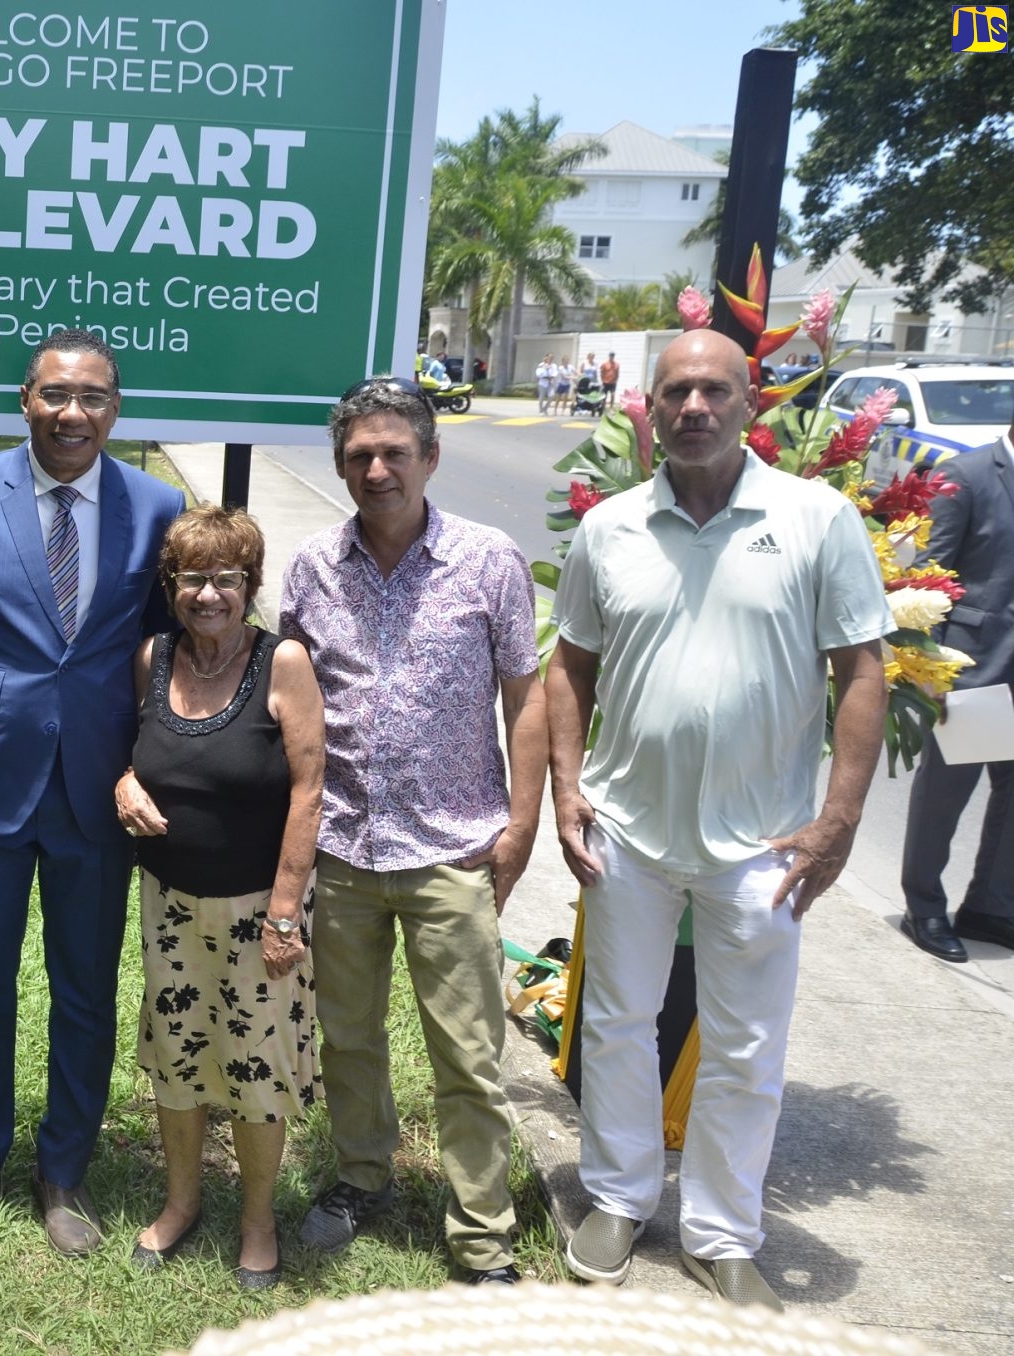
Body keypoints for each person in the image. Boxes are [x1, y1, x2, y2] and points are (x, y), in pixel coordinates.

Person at [547, 329, 890, 1310]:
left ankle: (720, 1228)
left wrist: (836, 818)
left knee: (745, 1041)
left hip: (765, 838)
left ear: (750, 404)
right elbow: (569, 665)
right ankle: (615, 1198)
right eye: (674, 392)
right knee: (616, 1022)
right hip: (627, 826)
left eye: (712, 390)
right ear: (649, 409)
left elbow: (859, 669)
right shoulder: (609, 527)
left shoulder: (814, 519)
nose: (692, 406)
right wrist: (568, 787)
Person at [0, 328, 186, 1255]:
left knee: (85, 987)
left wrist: (153, 764)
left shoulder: (156, 507)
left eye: (95, 398)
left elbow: (163, 654)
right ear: (25, 399)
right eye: (57, 396)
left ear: (116, 408)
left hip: (98, 786)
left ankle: (62, 1170)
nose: (75, 414)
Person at [280, 376, 546, 1286]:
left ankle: (481, 1235)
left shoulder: (489, 560)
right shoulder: (313, 566)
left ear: (431, 458)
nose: (379, 468)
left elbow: (526, 697)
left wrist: (521, 824)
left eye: (397, 452)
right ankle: (362, 1178)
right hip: (346, 847)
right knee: (347, 1038)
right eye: (360, 455)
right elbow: (290, 696)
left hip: (453, 847)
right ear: (342, 466)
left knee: (469, 1055)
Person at [115, 507, 325, 1291]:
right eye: (193, 578)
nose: (209, 594)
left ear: (250, 584)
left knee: (257, 1067)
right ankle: (181, 1202)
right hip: (170, 900)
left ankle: (258, 1221)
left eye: (226, 579)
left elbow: (309, 792)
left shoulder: (285, 663)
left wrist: (282, 913)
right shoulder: (152, 657)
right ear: (171, 586)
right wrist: (125, 781)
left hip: (257, 908)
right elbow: (133, 752)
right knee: (179, 1057)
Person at [898, 423, 1014, 962]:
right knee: (946, 795)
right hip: (974, 666)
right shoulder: (967, 476)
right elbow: (928, 575)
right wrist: (929, 667)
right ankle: (923, 906)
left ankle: (990, 908)